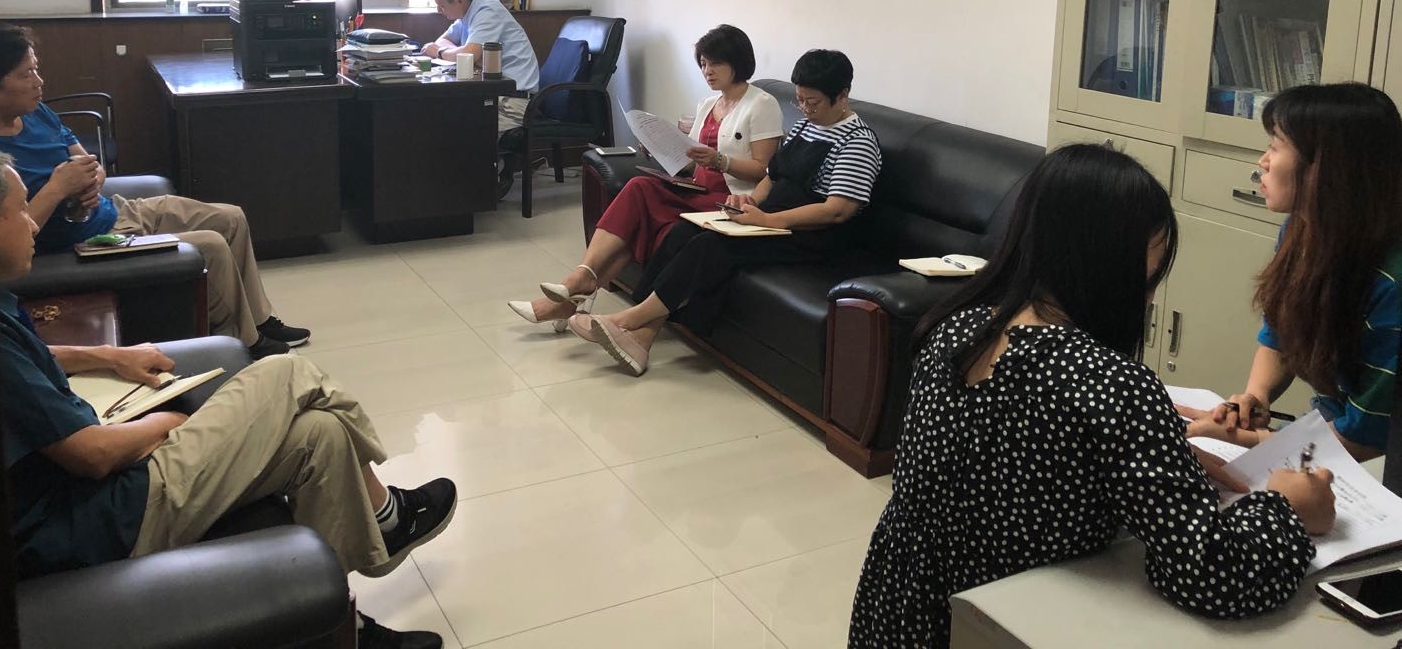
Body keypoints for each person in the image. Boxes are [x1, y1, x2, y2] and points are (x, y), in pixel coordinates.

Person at [848, 144, 1335, 648]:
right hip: (1010, 622)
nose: (1150, 295)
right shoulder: (1112, 383)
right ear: (1104, 264)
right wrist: (1287, 508)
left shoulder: (955, 328)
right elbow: (1212, 574)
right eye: (1148, 274)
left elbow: (1011, 458)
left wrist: (1168, 446)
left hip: (901, 608)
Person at [0, 148, 454, 649]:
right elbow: (92, 455)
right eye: (19, 210)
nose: (33, 222)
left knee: (320, 433)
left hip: (94, 496)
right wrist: (168, 423)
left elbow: (35, 359)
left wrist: (107, 355)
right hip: (106, 516)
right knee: (287, 373)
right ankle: (387, 517)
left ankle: (344, 630)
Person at [0, 22, 305, 359]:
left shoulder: (36, 113)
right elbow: (3, 240)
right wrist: (57, 189)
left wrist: (92, 179)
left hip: (113, 211)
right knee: (212, 245)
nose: (39, 81)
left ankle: (261, 320)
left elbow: (89, 162)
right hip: (83, 243)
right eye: (26, 74)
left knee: (231, 218)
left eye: (36, 69)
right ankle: (246, 342)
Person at [572, 49, 881, 376]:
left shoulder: (858, 142)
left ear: (842, 95)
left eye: (813, 102)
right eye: (800, 100)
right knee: (684, 232)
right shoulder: (807, 126)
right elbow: (772, 176)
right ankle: (641, 339)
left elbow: (837, 211)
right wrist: (751, 203)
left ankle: (627, 321)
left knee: (713, 246)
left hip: (814, 235)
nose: (805, 108)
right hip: (773, 220)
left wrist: (768, 221)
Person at [508, 24, 783, 331]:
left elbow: (765, 169)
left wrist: (721, 160)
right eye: (703, 63)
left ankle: (573, 294)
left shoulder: (761, 103)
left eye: (715, 63)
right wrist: (660, 149)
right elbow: (692, 164)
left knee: (642, 208)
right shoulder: (708, 104)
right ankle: (580, 279)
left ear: (738, 61)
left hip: (729, 200)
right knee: (639, 186)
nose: (708, 71)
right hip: (697, 189)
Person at [1184, 82, 1402, 461]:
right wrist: (1255, 398)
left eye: (1275, 146)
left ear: (1327, 167)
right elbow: (1282, 332)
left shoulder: (1392, 283)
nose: (1262, 161)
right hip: (1330, 427)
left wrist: (1246, 439)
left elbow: (1365, 438)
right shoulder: (1304, 229)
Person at [420, 0, 540, 133]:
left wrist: (441, 52)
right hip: (494, 96)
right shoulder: (466, 15)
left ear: (459, 0)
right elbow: (443, 41)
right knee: (439, 117)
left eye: (441, 5)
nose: (438, 10)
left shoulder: (488, 11)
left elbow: (469, 54)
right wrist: (457, 52)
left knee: (452, 128)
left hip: (513, 103)